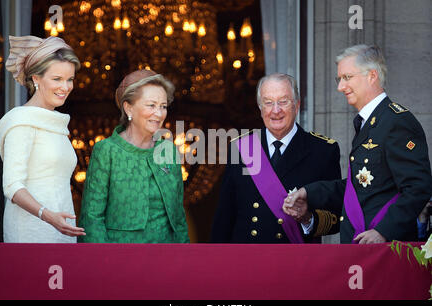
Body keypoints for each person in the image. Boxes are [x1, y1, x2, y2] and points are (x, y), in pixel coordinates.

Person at [283, 44, 432, 244]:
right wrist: (308, 193)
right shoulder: (370, 121)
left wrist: (383, 232)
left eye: (347, 78)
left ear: (371, 76)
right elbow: (359, 187)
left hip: (387, 251)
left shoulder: (396, 122)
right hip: (362, 247)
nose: (340, 87)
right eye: (339, 79)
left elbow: (418, 187)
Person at [210, 73, 342, 243]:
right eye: (268, 102)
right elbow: (224, 217)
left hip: (295, 261)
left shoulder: (323, 150)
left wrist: (307, 218)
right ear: (260, 108)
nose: (276, 110)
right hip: (247, 261)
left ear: (297, 105)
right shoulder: (241, 148)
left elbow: (337, 218)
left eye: (283, 101)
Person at [78, 69, 189, 243]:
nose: (159, 114)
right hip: (119, 259)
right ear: (128, 107)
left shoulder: (169, 151)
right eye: (151, 105)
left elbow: (179, 218)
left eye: (163, 106)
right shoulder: (106, 150)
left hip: (166, 258)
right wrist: (103, 264)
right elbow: (92, 218)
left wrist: (184, 260)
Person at [0, 35, 85, 242]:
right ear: (36, 78)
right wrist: (48, 216)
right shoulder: (21, 120)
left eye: (70, 79)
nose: (66, 87)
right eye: (57, 79)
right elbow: (12, 186)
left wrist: (58, 220)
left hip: (63, 229)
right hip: (30, 232)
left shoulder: (57, 123)